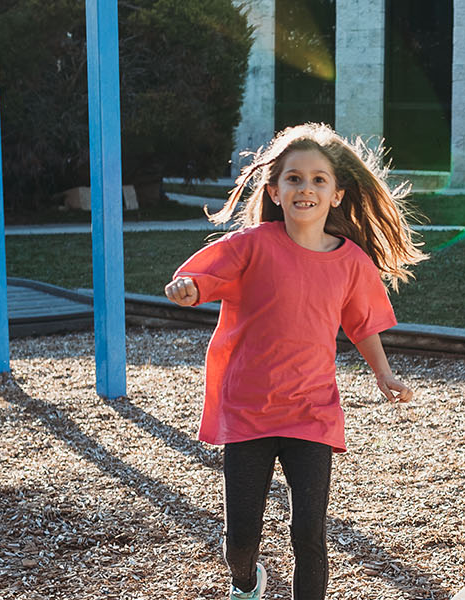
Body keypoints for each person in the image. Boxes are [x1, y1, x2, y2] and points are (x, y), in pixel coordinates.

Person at [164, 123, 426, 600]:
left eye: (318, 180)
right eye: (294, 179)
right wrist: (188, 290)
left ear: (338, 194)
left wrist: (384, 373)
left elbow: (362, 323)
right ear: (274, 190)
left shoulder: (350, 262)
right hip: (248, 412)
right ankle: (246, 582)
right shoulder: (251, 245)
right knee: (240, 539)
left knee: (309, 533)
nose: (306, 188)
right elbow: (198, 280)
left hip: (312, 412)